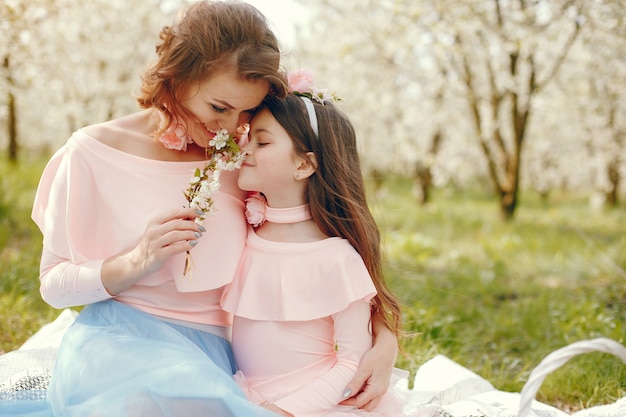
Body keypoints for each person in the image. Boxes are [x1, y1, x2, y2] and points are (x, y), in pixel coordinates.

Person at [0, 2, 397, 417]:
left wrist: (385, 340)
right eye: (219, 108)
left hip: (218, 360)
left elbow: (331, 242)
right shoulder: (91, 153)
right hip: (122, 344)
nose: (229, 129)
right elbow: (53, 284)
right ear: (179, 74)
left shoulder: (246, 163)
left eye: (246, 113)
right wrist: (135, 261)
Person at [221, 72, 422, 416]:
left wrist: (279, 411)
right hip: (246, 395)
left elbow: (350, 363)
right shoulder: (242, 228)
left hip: (310, 406)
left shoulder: (335, 258)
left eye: (262, 142)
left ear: (304, 164)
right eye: (248, 139)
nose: (245, 150)